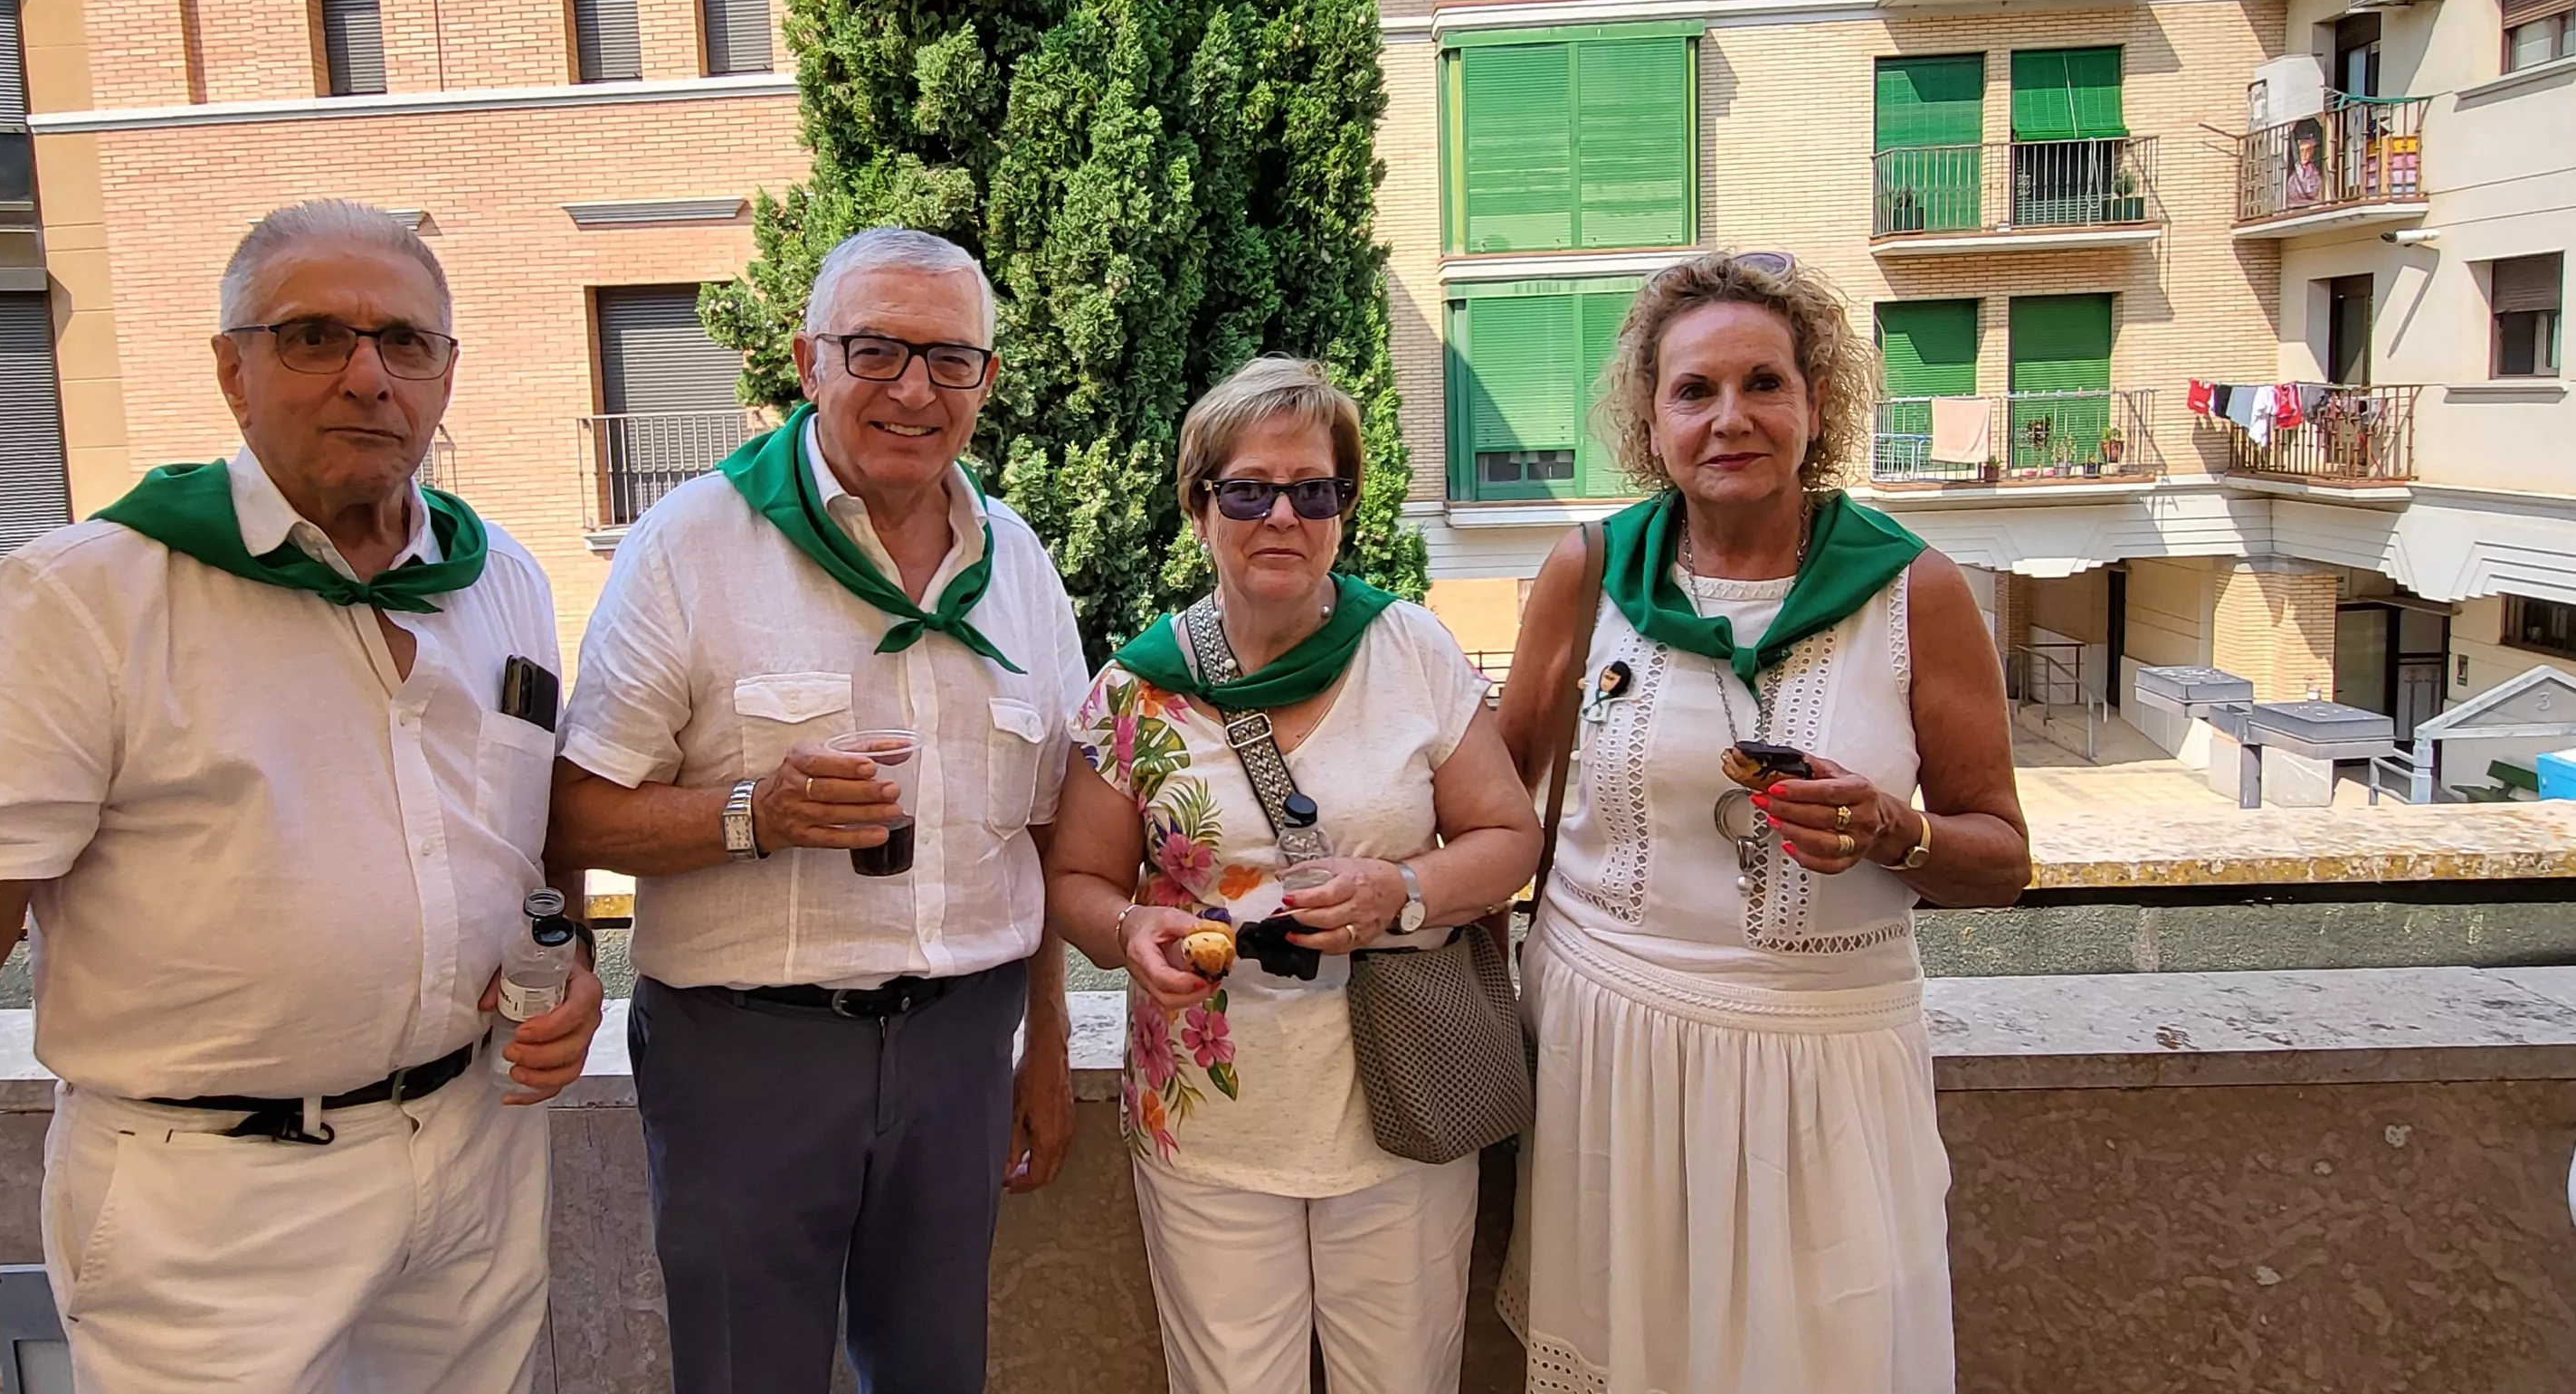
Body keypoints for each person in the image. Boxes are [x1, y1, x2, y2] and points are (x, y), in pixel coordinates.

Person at [0, 200, 600, 1394]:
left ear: (446, 372)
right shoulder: (85, 600)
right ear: (230, 369)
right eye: (312, 337)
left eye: (404, 342)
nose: (366, 376)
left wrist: (570, 960)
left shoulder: (499, 576)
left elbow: (528, 834)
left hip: (474, 1155)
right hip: (212, 1204)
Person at [549, 226, 1086, 1393]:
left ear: (986, 382)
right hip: (745, 1056)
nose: (912, 389)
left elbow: (1040, 834)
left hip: (958, 1047)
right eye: (875, 351)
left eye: (950, 361)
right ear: (807, 360)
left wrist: (1039, 1041)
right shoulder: (690, 546)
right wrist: (751, 814)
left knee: (937, 1374)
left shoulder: (1021, 566)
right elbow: (573, 816)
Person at [1496, 251, 2031, 1394]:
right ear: (1650, 419)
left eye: (1762, 384)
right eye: (1693, 390)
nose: (1728, 418)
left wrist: (1896, 830)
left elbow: (2002, 853)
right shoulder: (1588, 570)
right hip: (1611, 1049)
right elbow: (1492, 804)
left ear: (1814, 403)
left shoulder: (1913, 591)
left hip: (1825, 1066)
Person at [1043, 359, 1545, 1394]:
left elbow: (1507, 839)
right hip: (1210, 1117)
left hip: (1401, 1102)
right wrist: (1130, 929)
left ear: (1344, 507)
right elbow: (1076, 879)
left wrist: (1396, 893)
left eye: (1311, 490)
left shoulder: (1411, 651)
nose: (1282, 514)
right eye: (1248, 490)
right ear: (1199, 507)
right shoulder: (1135, 689)